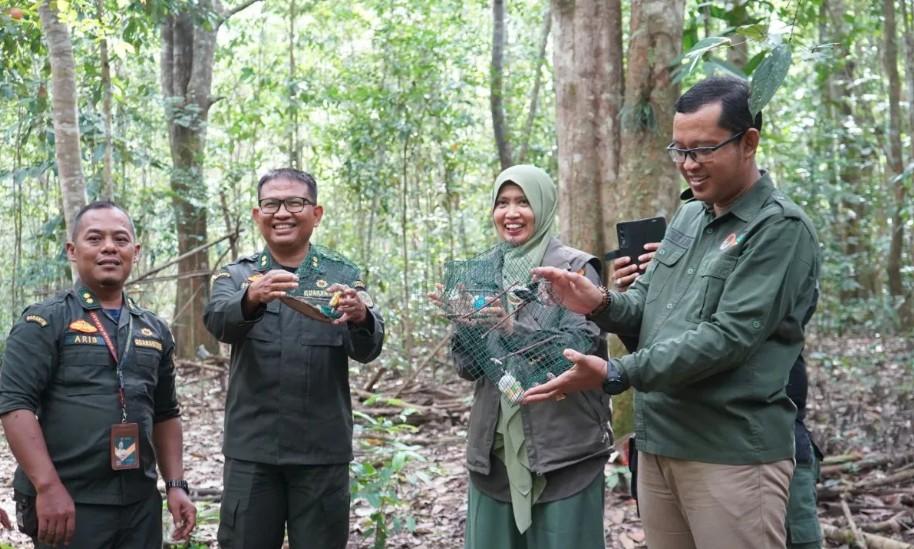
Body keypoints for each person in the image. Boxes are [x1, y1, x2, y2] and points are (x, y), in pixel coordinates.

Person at [524, 76, 820, 549]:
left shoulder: (778, 229)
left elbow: (728, 338)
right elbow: (649, 306)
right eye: (679, 150)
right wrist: (598, 302)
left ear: (749, 142)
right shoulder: (690, 215)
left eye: (702, 150)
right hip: (661, 444)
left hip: (729, 453)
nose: (688, 165)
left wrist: (617, 372)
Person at [204, 168, 384, 548]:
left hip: (321, 453)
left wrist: (361, 317)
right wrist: (251, 298)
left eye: (295, 203)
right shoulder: (238, 275)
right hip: (253, 452)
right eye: (271, 204)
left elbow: (368, 349)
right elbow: (218, 322)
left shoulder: (342, 276)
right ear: (257, 215)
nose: (282, 213)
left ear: (315, 214)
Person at [0, 201, 196, 548]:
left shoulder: (154, 329)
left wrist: (175, 485)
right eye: (95, 238)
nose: (109, 247)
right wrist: (47, 487)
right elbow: (15, 406)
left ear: (135, 251)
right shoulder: (44, 322)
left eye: (120, 239)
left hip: (138, 502)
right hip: (69, 502)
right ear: (73, 251)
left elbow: (166, 413)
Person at [438, 165, 611, 549]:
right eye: (502, 203)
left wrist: (512, 329)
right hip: (494, 451)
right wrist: (465, 325)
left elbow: (576, 353)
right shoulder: (481, 270)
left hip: (564, 451)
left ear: (544, 205)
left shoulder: (576, 268)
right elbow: (467, 368)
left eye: (523, 202)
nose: (511, 213)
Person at [614, 248, 823, 548]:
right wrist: (642, 298)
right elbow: (654, 351)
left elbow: (733, 335)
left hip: (755, 441)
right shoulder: (692, 228)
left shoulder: (778, 238)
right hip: (673, 441)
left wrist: (694, 275)